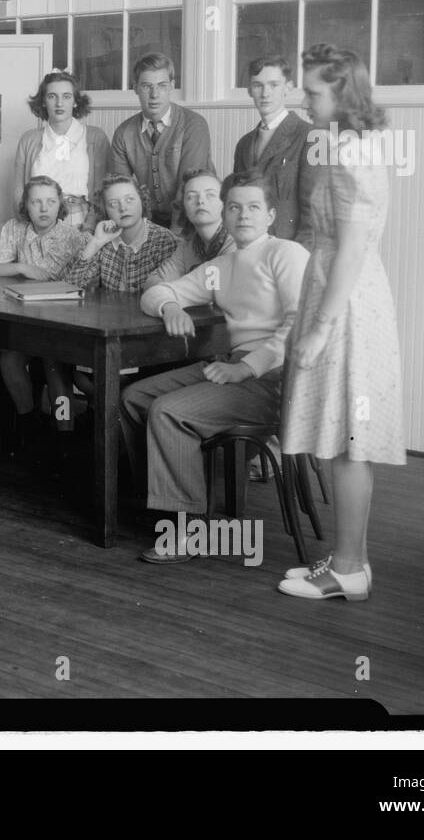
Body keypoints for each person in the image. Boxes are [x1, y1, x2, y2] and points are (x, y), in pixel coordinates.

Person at [122, 171, 310, 564]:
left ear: (271, 215)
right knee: (135, 397)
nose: (243, 215)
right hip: (231, 366)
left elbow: (300, 324)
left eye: (253, 207)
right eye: (235, 207)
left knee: (168, 411)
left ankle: (189, 529)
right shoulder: (221, 266)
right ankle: (160, 499)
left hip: (276, 380)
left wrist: (249, 369)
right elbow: (157, 291)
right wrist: (170, 306)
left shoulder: (285, 254)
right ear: (225, 214)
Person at [277, 44, 405, 601]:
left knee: (349, 439)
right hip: (344, 290)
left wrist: (320, 328)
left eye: (313, 92)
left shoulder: (350, 153)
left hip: (346, 302)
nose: (304, 101)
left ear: (343, 94)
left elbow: (351, 250)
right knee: (345, 438)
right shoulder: (348, 143)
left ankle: (349, 568)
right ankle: (351, 560)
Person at [0, 175, 87, 465]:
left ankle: (65, 435)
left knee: (55, 367)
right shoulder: (14, 229)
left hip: (63, 324)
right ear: (26, 205)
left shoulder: (75, 237)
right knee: (8, 359)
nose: (43, 208)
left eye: (51, 201)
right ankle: (29, 422)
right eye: (36, 202)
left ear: (61, 205)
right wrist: (22, 266)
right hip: (24, 321)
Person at [110, 53, 215, 232]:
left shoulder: (193, 124)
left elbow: (188, 186)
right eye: (146, 86)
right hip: (150, 223)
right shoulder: (123, 133)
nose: (154, 94)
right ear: (135, 87)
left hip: (194, 220)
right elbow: (123, 192)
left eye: (162, 85)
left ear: (172, 86)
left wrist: (173, 237)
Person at [12, 70, 113, 232]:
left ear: (75, 101)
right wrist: (29, 228)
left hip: (82, 220)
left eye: (66, 96)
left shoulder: (96, 137)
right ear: (43, 101)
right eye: (52, 96)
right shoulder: (28, 140)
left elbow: (102, 188)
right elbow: (19, 193)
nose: (59, 103)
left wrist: (91, 225)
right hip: (39, 219)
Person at [233, 54, 314, 245]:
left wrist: (298, 259)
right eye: (258, 85)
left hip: (290, 252)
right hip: (251, 249)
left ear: (288, 87)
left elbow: (314, 214)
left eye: (273, 85)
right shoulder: (244, 145)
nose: (265, 93)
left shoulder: (309, 136)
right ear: (249, 90)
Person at [61, 175, 177, 295]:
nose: (123, 208)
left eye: (129, 199)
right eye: (113, 204)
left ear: (142, 201)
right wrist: (96, 243)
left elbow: (167, 292)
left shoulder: (163, 239)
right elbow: (68, 288)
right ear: (104, 210)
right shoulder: (104, 240)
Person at [143, 169, 236, 289]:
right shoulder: (188, 245)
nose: (200, 201)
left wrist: (172, 288)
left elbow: (216, 292)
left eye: (210, 195)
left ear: (225, 203)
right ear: (184, 208)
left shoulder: (236, 242)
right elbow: (152, 282)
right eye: (191, 196)